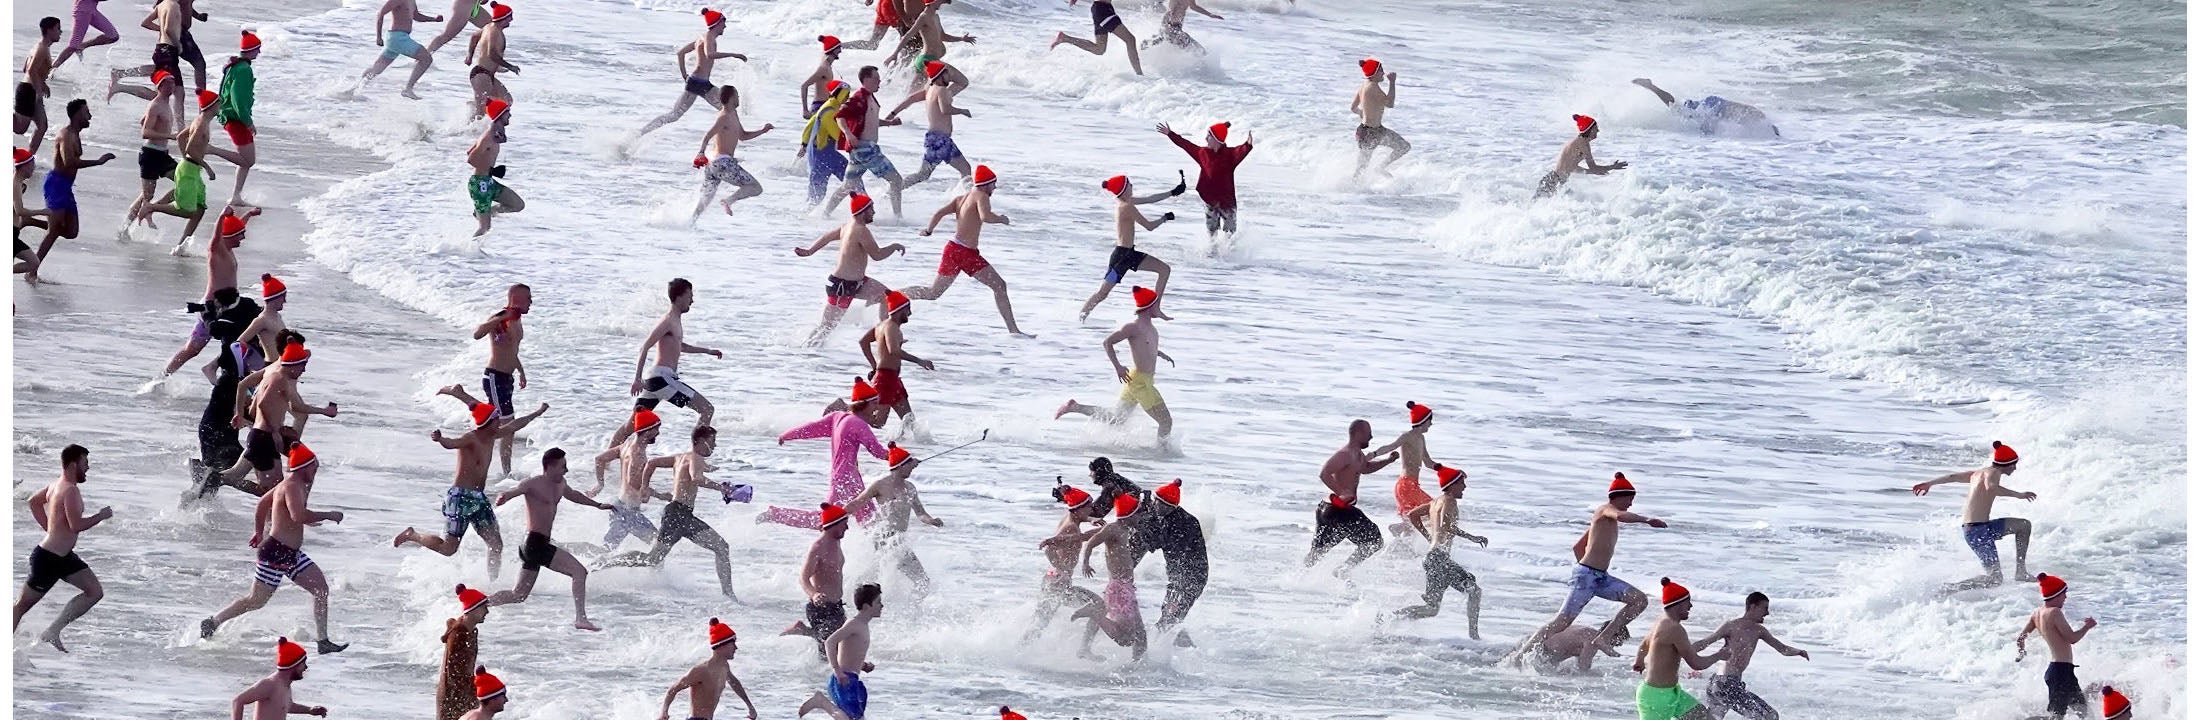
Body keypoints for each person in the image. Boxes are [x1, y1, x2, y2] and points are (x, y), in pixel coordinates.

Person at [1506, 472, 1670, 670]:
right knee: (1562, 622)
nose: (1631, 504)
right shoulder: (1605, 510)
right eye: (1629, 498)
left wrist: (1587, 568)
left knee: (1639, 600)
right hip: (1586, 577)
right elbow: (1620, 515)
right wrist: (1647, 520)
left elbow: (1578, 547)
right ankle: (1520, 656)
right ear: (1618, 496)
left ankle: (1604, 637)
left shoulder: (1602, 522)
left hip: (1600, 578)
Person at [201, 443, 351, 654]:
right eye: (313, 468)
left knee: (320, 589)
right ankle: (213, 622)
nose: (316, 471)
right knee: (255, 601)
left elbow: (262, 504)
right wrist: (328, 515)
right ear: (303, 468)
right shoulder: (291, 486)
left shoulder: (294, 483)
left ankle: (323, 641)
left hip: (290, 554)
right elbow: (298, 516)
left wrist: (258, 532)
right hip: (275, 552)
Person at [394, 398, 550, 578]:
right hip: (460, 498)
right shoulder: (471, 438)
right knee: (448, 548)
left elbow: (514, 425)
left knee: (496, 544)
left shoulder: (492, 435)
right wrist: (440, 439)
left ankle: (493, 583)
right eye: (496, 418)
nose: (500, 422)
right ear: (488, 422)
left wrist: (537, 413)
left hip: (479, 498)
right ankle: (413, 535)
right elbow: (452, 443)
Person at [597, 425, 741, 599]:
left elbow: (652, 463)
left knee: (653, 558)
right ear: (702, 441)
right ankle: (729, 595)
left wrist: (644, 486)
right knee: (721, 547)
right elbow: (696, 477)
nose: (715, 445)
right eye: (713, 441)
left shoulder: (681, 457)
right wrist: (721, 488)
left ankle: (607, 563)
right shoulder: (696, 458)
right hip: (680, 515)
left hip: (676, 514)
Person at [485, 448, 610, 631]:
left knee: (518, 595)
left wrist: (597, 505)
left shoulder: (561, 484)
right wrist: (504, 497)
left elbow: (574, 495)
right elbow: (515, 490)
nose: (566, 470)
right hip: (534, 542)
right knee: (579, 572)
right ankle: (581, 619)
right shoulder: (533, 483)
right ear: (550, 466)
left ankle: (480, 603)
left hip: (536, 545)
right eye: (562, 466)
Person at [902, 165, 1029, 336]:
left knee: (933, 292)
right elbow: (985, 216)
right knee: (1000, 286)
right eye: (993, 184)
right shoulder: (982, 196)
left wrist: (929, 230)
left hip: (952, 249)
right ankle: (1014, 331)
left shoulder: (961, 199)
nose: (995, 188)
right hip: (965, 253)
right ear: (985, 184)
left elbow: (939, 213)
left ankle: (894, 295)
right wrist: (1001, 219)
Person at [14, 444, 111, 652]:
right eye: (85, 463)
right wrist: (100, 516)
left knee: (94, 591)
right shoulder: (70, 490)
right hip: (48, 560)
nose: (88, 468)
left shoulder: (56, 485)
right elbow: (76, 525)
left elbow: (34, 502)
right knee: (20, 607)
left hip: (64, 557)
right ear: (74, 463)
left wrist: (50, 529)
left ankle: (52, 632)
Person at [759, 380, 893, 528]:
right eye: (874, 404)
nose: (877, 408)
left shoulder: (838, 417)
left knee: (868, 520)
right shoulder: (859, 425)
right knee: (827, 521)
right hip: (846, 482)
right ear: (864, 404)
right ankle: (775, 514)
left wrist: (787, 435)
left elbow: (810, 428)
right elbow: (878, 451)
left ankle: (881, 548)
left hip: (845, 478)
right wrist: (901, 457)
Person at [1055, 286, 1176, 446]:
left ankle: (1075, 407)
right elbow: (1108, 342)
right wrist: (1118, 367)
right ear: (1149, 306)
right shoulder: (1132, 327)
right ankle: (1162, 452)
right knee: (1166, 422)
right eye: (1157, 304)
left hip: (1140, 380)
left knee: (1116, 419)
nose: (1159, 307)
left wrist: (1159, 353)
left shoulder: (1151, 329)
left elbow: (1146, 347)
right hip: (1139, 383)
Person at [1912, 441, 2038, 592]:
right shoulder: (1993, 473)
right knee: (1994, 578)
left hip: (1984, 527)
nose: (2015, 468)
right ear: (2006, 464)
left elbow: (1953, 477)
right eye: (2014, 464)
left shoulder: (1977, 473)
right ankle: (1951, 588)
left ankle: (2021, 572)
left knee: (2023, 525)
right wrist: (2019, 495)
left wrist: (1929, 483)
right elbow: (1991, 487)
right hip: (1976, 531)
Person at [218, 342, 341, 493]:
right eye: (302, 365)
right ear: (293, 364)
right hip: (263, 437)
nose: (304, 370)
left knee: (267, 488)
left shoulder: (283, 378)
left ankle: (215, 478)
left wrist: (323, 411)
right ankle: (215, 478)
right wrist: (274, 430)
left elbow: (296, 407)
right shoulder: (278, 379)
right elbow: (263, 404)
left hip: (264, 437)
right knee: (272, 490)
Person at [614, 278, 722, 444]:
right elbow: (644, 347)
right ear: (678, 297)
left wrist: (707, 351)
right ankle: (695, 458)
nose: (692, 301)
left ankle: (603, 460)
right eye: (689, 296)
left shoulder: (676, 321)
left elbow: (681, 346)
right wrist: (636, 379)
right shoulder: (668, 320)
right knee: (706, 409)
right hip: (662, 380)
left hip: (656, 382)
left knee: (632, 425)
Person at [796, 193, 906, 343]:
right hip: (843, 286)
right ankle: (805, 351)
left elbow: (826, 237)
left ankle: (885, 335)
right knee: (826, 328)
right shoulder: (861, 230)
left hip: (857, 283)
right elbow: (877, 255)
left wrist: (810, 251)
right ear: (862, 211)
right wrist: (893, 246)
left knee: (887, 297)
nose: (874, 212)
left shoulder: (846, 227)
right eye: (871, 209)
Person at [160, 204, 252, 382]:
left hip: (230, 307)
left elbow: (233, 229)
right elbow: (216, 237)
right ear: (230, 236)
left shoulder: (229, 249)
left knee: (243, 338)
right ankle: (163, 376)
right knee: (192, 349)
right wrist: (220, 217)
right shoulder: (216, 252)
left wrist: (248, 215)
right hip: (212, 308)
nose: (243, 238)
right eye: (240, 235)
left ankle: (214, 367)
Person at [1392, 465, 1488, 634]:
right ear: (1451, 485)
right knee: (1474, 590)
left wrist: (1429, 537)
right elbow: (1447, 525)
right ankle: (1474, 635)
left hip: (1432, 558)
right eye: (1461, 484)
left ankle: (1390, 618)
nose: (1464, 487)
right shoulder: (1450, 501)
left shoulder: (1434, 502)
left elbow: (1412, 515)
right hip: (1439, 559)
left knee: (1431, 609)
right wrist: (1473, 538)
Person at [1073, 173, 1181, 321]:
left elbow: (1150, 199)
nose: (1132, 186)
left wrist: (1172, 192)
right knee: (1102, 293)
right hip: (1121, 258)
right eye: (1129, 184)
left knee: (1164, 269)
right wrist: (1164, 218)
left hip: (1129, 254)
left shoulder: (1124, 201)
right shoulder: (1127, 207)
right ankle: (1080, 319)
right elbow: (1149, 226)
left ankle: (1155, 308)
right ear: (1123, 190)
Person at [1301, 418, 1400, 576]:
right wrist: (1341, 491)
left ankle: (1295, 581)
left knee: (1318, 553)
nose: (1371, 437)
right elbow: (1324, 473)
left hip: (1328, 510)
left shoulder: (1357, 454)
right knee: (1375, 541)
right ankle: (1342, 571)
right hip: (1338, 509)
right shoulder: (1345, 454)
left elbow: (1366, 468)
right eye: (1369, 434)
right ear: (1358, 433)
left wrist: (1388, 461)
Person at [1690, 592, 1811, 720]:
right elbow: (1706, 642)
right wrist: (1685, 651)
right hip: (1725, 684)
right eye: (1765, 608)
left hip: (1724, 684)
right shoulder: (1731, 626)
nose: (1767, 613)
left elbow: (1783, 649)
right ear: (1753, 607)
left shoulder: (1759, 630)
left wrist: (1799, 652)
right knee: (1770, 716)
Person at [633, 9, 749, 143]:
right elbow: (709, 54)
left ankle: (734, 137)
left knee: (728, 108)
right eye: (724, 22)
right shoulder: (709, 37)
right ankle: (640, 133)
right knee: (675, 115)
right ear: (717, 23)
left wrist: (684, 75)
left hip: (701, 83)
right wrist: (734, 55)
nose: (725, 26)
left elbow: (680, 53)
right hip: (697, 84)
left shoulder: (702, 37)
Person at [844, 444, 943, 598]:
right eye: (909, 466)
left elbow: (921, 514)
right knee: (921, 580)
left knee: (918, 581)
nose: (912, 469)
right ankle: (859, 600)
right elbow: (858, 502)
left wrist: (932, 521)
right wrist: (837, 516)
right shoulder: (880, 485)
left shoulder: (910, 488)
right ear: (900, 466)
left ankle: (900, 608)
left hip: (898, 540)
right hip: (884, 537)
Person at [33, 100, 117, 279]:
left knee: (71, 232)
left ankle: (28, 220)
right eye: (87, 112)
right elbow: (69, 162)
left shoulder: (76, 134)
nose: (90, 116)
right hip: (56, 184)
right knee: (54, 231)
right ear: (78, 114)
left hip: (66, 186)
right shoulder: (66, 135)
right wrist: (98, 161)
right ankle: (31, 271)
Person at [138, 89, 222, 252]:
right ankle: (151, 207)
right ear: (212, 106)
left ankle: (181, 246)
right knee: (186, 210)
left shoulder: (200, 121)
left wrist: (186, 159)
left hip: (190, 168)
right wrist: (206, 166)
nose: (221, 106)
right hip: (189, 171)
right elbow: (190, 146)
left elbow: (180, 137)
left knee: (199, 209)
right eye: (219, 103)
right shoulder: (202, 125)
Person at [1633, 579, 1728, 720]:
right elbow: (1696, 664)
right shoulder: (1675, 629)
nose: (1690, 606)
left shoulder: (1660, 622)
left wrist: (1639, 662)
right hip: (1656, 698)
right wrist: (1719, 655)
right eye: (1687, 602)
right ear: (1677, 604)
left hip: (1672, 693)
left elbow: (1643, 646)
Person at [823, 67, 911, 220]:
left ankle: (825, 214)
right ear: (866, 80)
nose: (879, 81)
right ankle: (898, 218)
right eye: (876, 79)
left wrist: (889, 123)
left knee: (848, 186)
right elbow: (839, 117)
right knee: (896, 179)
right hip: (865, 149)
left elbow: (870, 121)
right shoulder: (859, 97)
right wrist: (848, 135)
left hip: (859, 150)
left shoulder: (870, 98)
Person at [1073, 493, 1150, 659]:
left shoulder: (1124, 529)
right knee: (1126, 639)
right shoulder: (1113, 529)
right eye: (1137, 513)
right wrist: (1085, 562)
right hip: (1119, 589)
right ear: (1128, 515)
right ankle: (1095, 613)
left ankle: (1139, 667)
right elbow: (1092, 541)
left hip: (1126, 588)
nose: (1140, 516)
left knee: (1141, 636)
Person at [1027, 481, 1107, 638]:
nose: (1092, 509)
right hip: (1059, 582)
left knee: (1039, 623)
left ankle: (1018, 651)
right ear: (1078, 509)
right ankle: (1084, 648)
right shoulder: (1072, 527)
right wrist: (1061, 569)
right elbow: (1052, 545)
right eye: (1088, 506)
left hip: (1053, 579)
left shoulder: (1069, 519)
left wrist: (1091, 520)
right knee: (1098, 605)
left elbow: (1076, 536)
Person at [848, 291, 933, 430]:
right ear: (900, 310)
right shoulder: (891, 327)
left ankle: (911, 446)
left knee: (909, 420)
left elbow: (864, 342)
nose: (910, 313)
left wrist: (874, 365)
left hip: (892, 378)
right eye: (908, 309)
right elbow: (894, 351)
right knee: (878, 422)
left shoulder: (882, 325)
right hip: (885, 380)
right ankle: (845, 410)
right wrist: (919, 361)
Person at [588, 408, 670, 554]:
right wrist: (660, 495)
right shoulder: (638, 455)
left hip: (618, 507)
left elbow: (599, 459)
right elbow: (635, 485)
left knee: (604, 551)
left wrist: (600, 484)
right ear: (648, 430)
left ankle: (570, 553)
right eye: (657, 429)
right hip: (629, 512)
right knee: (660, 546)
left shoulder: (626, 446)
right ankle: (651, 575)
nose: (658, 433)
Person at [2017, 573, 2098, 719]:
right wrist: (2087, 627)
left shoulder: (2037, 613)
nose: (2065, 598)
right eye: (2064, 594)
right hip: (2061, 673)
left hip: (2061, 672)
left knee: (2083, 712)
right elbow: (2072, 638)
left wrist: (2021, 652)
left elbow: (2021, 637)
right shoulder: (2055, 612)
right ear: (2056, 594)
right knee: (2057, 717)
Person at [798, 583, 884, 720]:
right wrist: (837, 670)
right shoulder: (853, 624)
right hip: (843, 679)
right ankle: (821, 701)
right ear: (867, 606)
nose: (882, 605)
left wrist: (863, 665)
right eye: (878, 602)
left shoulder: (863, 625)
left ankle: (821, 701)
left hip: (852, 680)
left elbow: (848, 653)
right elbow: (830, 642)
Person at [690, 85, 773, 221]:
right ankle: (728, 201)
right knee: (756, 188)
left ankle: (689, 223)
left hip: (714, 165)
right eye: (737, 95)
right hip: (722, 163)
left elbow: (743, 136)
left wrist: (762, 131)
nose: (739, 98)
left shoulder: (733, 114)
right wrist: (700, 152)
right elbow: (707, 135)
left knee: (704, 200)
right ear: (731, 98)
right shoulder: (723, 117)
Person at [472, 283, 531, 475]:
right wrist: (501, 318)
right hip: (494, 377)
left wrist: (520, 371)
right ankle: (505, 471)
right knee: (507, 424)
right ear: (517, 299)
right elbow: (477, 333)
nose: (531, 302)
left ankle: (483, 460)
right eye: (528, 298)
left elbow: (512, 351)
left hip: (507, 378)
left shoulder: (517, 320)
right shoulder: (502, 317)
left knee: (500, 424)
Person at [882, 61, 972, 187]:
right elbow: (945, 109)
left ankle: (895, 189)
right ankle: (969, 200)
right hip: (941, 140)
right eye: (947, 73)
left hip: (933, 138)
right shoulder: (941, 90)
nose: (950, 77)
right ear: (941, 76)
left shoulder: (930, 89)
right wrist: (962, 111)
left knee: (923, 175)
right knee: (966, 170)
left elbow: (911, 99)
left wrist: (892, 114)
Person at [782, 503, 854, 658]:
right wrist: (814, 594)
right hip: (821, 608)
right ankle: (819, 681)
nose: (847, 528)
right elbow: (803, 578)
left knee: (841, 647)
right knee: (829, 656)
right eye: (844, 524)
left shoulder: (836, 541)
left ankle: (803, 630)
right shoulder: (817, 548)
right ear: (834, 525)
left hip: (836, 606)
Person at [1157, 122, 1250, 239]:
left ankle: (1230, 255)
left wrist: (1248, 144)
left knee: (1230, 235)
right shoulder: (1202, 153)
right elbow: (1186, 145)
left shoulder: (1230, 155)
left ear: (1217, 140)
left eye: (1209, 136)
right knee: (1212, 234)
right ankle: (1212, 254)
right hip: (1210, 200)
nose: (1206, 138)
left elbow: (1241, 151)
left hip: (1227, 201)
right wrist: (1170, 134)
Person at [657, 618, 761, 720]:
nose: (736, 648)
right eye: (732, 643)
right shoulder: (701, 671)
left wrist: (750, 707)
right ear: (721, 646)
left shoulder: (724, 667)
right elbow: (673, 689)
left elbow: (735, 683)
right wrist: (664, 712)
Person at [124, 71, 183, 239]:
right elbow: (145, 132)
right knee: (146, 195)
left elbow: (144, 121)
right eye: (168, 83)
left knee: (184, 180)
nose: (172, 86)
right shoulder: (156, 105)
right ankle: (125, 227)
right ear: (160, 86)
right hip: (150, 155)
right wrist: (169, 136)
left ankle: (152, 208)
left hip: (162, 155)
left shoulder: (166, 103)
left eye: (173, 82)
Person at [207, 32, 261, 208]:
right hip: (235, 118)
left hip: (230, 116)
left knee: (245, 160)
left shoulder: (235, 66)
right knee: (248, 160)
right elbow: (238, 98)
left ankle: (236, 196)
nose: (259, 53)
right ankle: (212, 150)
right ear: (251, 51)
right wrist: (248, 121)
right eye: (258, 49)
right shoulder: (244, 69)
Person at [1372, 401, 1437, 540]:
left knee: (1412, 523)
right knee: (1434, 509)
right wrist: (1374, 454)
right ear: (1423, 421)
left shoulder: (1421, 438)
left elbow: (1428, 462)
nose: (1431, 424)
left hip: (1411, 485)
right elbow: (1391, 446)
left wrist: (1447, 472)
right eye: (1430, 421)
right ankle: (1397, 529)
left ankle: (1404, 552)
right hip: (1406, 486)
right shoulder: (1408, 436)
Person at [1631, 78, 1778, 137]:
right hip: (1714, 107)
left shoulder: (1755, 117)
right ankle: (1651, 86)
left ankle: (1651, 86)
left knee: (1678, 109)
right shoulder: (1756, 117)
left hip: (1714, 105)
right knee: (1677, 109)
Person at [229, 638, 331, 720]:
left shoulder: (285, 684)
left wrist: (309, 710)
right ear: (293, 665)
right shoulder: (269, 684)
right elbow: (237, 701)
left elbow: (285, 706)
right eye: (303, 663)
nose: (305, 667)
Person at [361, 0, 443, 99]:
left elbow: (416, 16)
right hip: (397, 38)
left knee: (376, 69)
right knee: (426, 59)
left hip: (399, 38)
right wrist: (378, 37)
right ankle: (408, 89)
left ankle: (353, 88)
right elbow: (380, 13)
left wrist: (434, 19)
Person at [1535, 114, 1627, 198]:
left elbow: (1571, 167)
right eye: (1596, 128)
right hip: (1553, 181)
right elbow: (1593, 167)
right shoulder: (1582, 144)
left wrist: (1592, 171)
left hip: (1556, 181)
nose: (1598, 130)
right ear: (1589, 130)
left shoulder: (1583, 144)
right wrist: (1612, 167)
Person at [469, 98, 524, 236]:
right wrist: (488, 169)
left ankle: (485, 212)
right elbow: (471, 159)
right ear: (500, 115)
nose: (510, 116)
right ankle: (470, 252)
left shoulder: (494, 134)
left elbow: (470, 151)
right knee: (484, 227)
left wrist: (491, 170)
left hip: (488, 182)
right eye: (507, 113)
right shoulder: (489, 137)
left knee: (518, 205)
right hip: (480, 184)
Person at [439, 585, 493, 720]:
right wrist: (469, 696)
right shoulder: (458, 635)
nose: (487, 612)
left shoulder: (472, 631)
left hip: (465, 694)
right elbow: (454, 674)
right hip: (452, 697)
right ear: (473, 610)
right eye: (484, 607)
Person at [1050, 0, 1142, 76]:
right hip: (1103, 11)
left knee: (1099, 49)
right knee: (1130, 39)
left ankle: (1064, 38)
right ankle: (1139, 74)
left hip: (1102, 9)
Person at [1350, 58, 1408, 177]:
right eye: (1381, 70)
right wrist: (1392, 82)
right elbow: (1390, 103)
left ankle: (1379, 168)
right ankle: (1350, 191)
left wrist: (1363, 113)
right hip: (1369, 134)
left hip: (1376, 130)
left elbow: (1353, 108)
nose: (1383, 73)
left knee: (1403, 146)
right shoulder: (1373, 88)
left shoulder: (1364, 85)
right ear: (1374, 73)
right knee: (1361, 169)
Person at [800, 80, 854, 206]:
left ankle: (809, 218)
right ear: (839, 94)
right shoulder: (830, 111)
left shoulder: (827, 106)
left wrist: (803, 143)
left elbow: (809, 126)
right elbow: (837, 135)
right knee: (852, 181)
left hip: (818, 154)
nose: (848, 97)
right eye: (846, 94)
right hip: (824, 154)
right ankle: (862, 208)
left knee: (816, 195)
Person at [901, 0, 975, 87]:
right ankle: (944, 100)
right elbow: (908, 35)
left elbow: (943, 36)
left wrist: (961, 39)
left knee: (915, 96)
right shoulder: (923, 17)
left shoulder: (935, 17)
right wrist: (894, 54)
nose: (941, 4)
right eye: (939, 1)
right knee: (963, 82)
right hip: (928, 61)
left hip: (929, 61)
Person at [17, 18, 60, 154]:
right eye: (58, 29)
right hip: (29, 90)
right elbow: (30, 70)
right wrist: (39, 91)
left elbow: (26, 68)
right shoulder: (42, 49)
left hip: (31, 88)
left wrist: (42, 83)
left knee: (42, 126)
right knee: (20, 128)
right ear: (50, 30)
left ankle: (28, 158)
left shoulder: (40, 46)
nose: (61, 32)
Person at [463, 4, 517, 112]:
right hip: (481, 74)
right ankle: (469, 124)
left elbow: (474, 37)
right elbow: (491, 54)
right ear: (503, 18)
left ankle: (476, 108)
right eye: (509, 17)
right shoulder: (494, 31)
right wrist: (510, 66)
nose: (511, 20)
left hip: (488, 75)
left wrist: (470, 56)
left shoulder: (488, 27)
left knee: (507, 101)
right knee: (481, 112)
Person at [51, 0, 120, 75]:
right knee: (73, 45)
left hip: (92, 10)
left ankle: (82, 46)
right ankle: (49, 71)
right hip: (82, 11)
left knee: (113, 36)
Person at [1534, 624, 1631, 672]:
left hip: (1533, 645)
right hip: (1539, 652)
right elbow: (1583, 668)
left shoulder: (1587, 632)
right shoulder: (1592, 641)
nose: (1619, 645)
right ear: (1611, 634)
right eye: (1619, 641)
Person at [1141, 0, 1221, 52]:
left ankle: (1148, 43)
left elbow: (1193, 6)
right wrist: (1170, 18)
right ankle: (1147, 44)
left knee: (1168, 40)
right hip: (1169, 23)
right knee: (1188, 45)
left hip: (1178, 25)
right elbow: (1171, 8)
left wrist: (1210, 14)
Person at [799, 35, 843, 118]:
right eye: (838, 48)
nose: (840, 51)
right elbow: (804, 86)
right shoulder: (823, 68)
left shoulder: (828, 65)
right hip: (818, 107)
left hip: (826, 106)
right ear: (832, 49)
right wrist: (805, 110)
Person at [423, 0, 489, 54]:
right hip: (464, 5)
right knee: (446, 36)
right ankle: (423, 58)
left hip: (474, 5)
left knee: (493, 28)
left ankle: (488, 61)